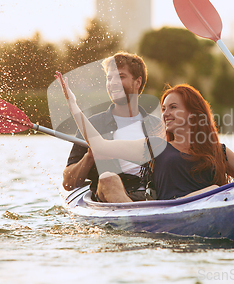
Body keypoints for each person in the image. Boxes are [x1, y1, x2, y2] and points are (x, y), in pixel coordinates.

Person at [57, 71, 234, 203]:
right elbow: (99, 145)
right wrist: (74, 106)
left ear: (193, 113)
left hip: (208, 211)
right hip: (166, 215)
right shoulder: (155, 146)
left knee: (211, 191)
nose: (166, 114)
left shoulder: (219, 151)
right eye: (164, 108)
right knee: (107, 177)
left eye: (174, 107)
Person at [61, 52, 163, 202]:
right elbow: (68, 183)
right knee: (108, 178)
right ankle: (134, 218)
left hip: (152, 198)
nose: (113, 82)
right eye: (109, 78)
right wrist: (89, 157)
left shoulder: (158, 126)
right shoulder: (92, 126)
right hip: (110, 195)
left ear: (138, 82)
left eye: (121, 77)